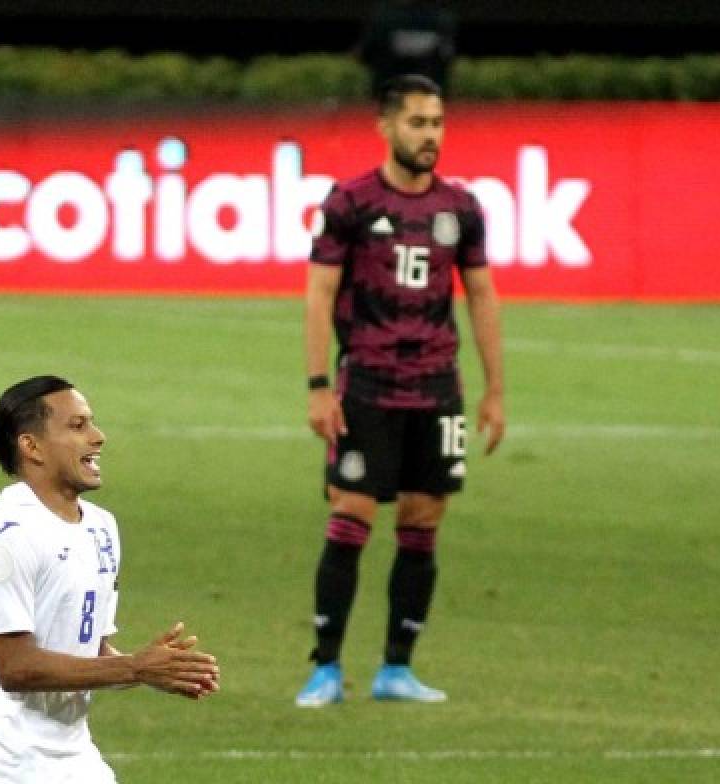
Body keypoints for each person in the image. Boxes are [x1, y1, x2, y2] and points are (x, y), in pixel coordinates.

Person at [295, 74, 504, 706]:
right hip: (368, 387)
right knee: (351, 514)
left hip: (438, 389)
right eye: (417, 122)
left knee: (423, 519)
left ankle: (396, 669)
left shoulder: (461, 209)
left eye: (437, 122)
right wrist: (318, 385)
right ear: (386, 126)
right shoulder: (350, 204)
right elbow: (319, 293)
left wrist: (496, 390)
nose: (429, 134)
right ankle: (326, 668)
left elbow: (483, 295)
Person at [0, 376, 220, 783]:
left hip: (73, 758)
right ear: (31, 446)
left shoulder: (101, 529)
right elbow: (16, 668)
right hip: (3, 764)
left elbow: (89, 651)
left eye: (91, 423)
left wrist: (156, 668)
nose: (98, 436)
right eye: (77, 426)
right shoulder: (6, 537)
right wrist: (134, 668)